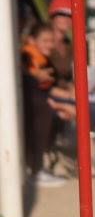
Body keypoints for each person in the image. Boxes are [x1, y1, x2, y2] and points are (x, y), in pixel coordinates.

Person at [20, 23, 66, 188]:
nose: (50, 45)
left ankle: (41, 166)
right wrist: (35, 74)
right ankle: (36, 169)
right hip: (33, 103)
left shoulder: (46, 59)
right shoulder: (25, 56)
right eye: (45, 40)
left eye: (51, 41)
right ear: (32, 40)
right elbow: (25, 73)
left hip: (42, 100)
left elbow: (51, 86)